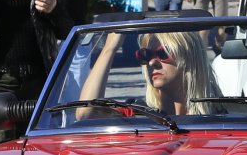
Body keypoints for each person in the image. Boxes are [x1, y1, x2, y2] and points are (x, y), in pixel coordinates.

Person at [76, 29, 221, 117]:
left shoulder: (220, 117)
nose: (152, 62)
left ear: (189, 57)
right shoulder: (142, 114)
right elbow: (86, 113)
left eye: (164, 53)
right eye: (146, 55)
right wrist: (109, 49)